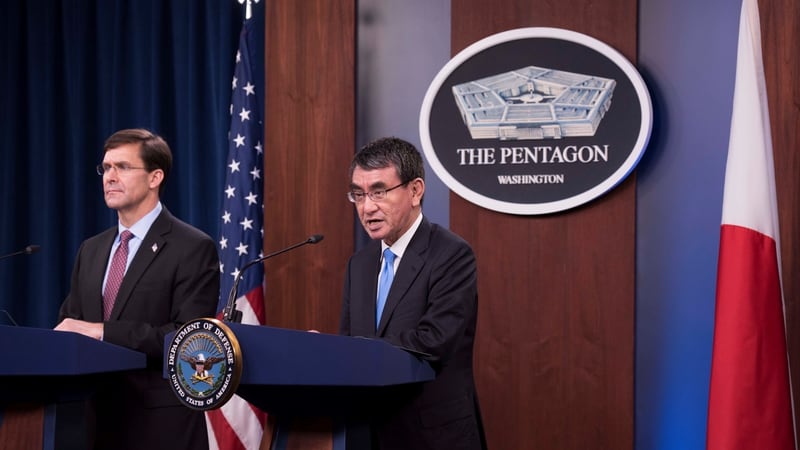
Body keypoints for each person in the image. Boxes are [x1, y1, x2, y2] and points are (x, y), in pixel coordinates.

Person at [55, 128, 219, 450]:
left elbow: (187, 341)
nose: (110, 177)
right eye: (106, 168)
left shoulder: (193, 247)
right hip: (90, 423)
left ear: (155, 177)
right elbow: (71, 324)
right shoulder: (91, 249)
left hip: (159, 425)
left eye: (123, 167)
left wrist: (103, 332)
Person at [339, 137, 486, 450]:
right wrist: (325, 351)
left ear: (416, 190)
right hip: (367, 435)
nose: (367, 207)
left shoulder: (451, 255)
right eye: (358, 194)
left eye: (379, 192)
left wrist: (356, 349)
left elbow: (433, 342)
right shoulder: (359, 265)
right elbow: (349, 343)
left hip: (431, 437)